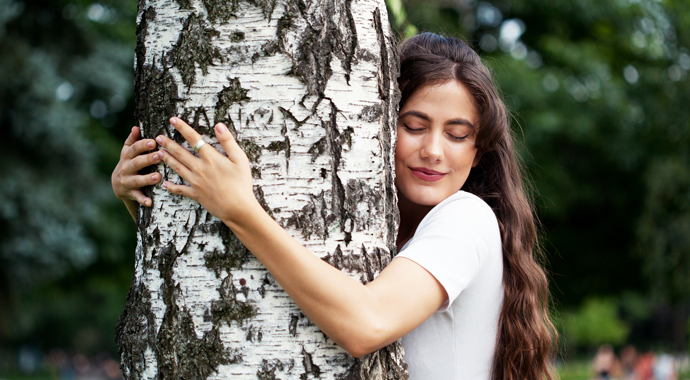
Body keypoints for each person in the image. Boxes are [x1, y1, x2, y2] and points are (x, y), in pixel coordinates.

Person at [112, 32, 557, 380]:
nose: (434, 150)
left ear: (478, 151)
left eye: (457, 134)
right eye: (415, 126)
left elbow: (366, 323)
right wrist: (151, 199)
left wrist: (240, 210)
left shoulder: (467, 217)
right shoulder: (387, 231)